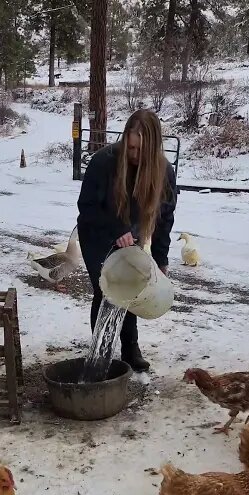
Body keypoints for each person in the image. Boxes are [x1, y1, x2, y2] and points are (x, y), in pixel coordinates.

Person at [76, 109, 177, 373]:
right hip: (97, 232)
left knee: (132, 286)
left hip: (130, 235)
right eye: (130, 147)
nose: (134, 154)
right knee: (108, 289)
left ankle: (130, 348)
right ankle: (102, 351)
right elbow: (86, 207)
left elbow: (165, 216)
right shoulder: (104, 162)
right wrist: (116, 228)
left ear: (153, 147)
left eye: (140, 150)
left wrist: (161, 257)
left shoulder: (163, 170)